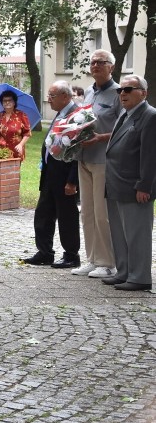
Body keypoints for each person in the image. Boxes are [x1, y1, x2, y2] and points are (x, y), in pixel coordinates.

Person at [100, 75, 156, 292]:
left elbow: (150, 156)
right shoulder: (125, 114)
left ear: (143, 92)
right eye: (120, 90)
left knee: (137, 234)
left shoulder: (150, 116)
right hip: (116, 184)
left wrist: (145, 186)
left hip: (135, 187)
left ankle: (140, 276)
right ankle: (124, 271)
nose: (122, 93)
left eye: (128, 89)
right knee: (120, 234)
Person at [71, 50, 121, 278]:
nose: (95, 66)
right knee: (87, 212)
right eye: (92, 62)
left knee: (103, 213)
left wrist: (101, 138)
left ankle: (107, 262)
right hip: (84, 158)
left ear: (111, 66)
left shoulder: (119, 93)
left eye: (101, 62)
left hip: (104, 160)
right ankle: (91, 258)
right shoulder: (89, 92)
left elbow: (126, 130)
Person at [21, 81, 80, 269]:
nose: (49, 100)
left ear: (65, 96)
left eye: (52, 96)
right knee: (43, 214)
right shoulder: (60, 114)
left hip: (65, 174)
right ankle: (45, 252)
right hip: (50, 173)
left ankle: (71, 255)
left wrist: (72, 181)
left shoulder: (76, 116)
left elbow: (77, 151)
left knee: (67, 216)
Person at [0, 89, 32, 161]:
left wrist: (21, 145)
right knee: (1, 171)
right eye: (4, 101)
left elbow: (27, 133)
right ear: (2, 103)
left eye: (10, 100)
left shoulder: (21, 115)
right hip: (0, 150)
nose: (7, 102)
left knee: (14, 171)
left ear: (14, 102)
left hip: (16, 149)